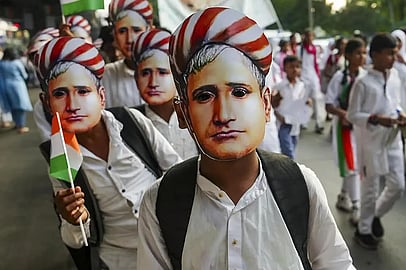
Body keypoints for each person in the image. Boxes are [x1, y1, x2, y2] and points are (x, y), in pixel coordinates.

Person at [137, 7, 355, 269]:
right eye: (204, 96)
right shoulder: (159, 201)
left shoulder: (300, 186)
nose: (224, 114)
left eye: (239, 92)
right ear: (183, 113)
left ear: (265, 104)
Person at [34, 36, 182, 269]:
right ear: (46, 103)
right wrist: (74, 219)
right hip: (119, 261)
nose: (72, 105)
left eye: (83, 91)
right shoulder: (61, 158)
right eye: (60, 94)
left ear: (101, 97)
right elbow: (77, 238)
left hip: (171, 249)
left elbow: (177, 172)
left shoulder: (132, 121)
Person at [347, 33, 406, 250]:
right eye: (390, 53)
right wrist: (375, 119)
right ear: (375, 55)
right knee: (370, 187)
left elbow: (395, 103)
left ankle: (374, 215)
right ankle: (363, 230)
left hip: (391, 140)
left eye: (395, 53)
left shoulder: (395, 77)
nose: (394, 57)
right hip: (370, 141)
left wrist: (400, 114)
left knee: (398, 186)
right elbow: (352, 115)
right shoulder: (362, 83)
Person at [132, 28, 198, 159]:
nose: (153, 82)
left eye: (162, 72)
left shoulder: (196, 114)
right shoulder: (130, 123)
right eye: (145, 73)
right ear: (136, 78)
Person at [325, 38, 367, 224]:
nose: (362, 57)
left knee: (358, 164)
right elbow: (328, 104)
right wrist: (344, 113)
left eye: (364, 53)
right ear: (348, 55)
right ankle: (357, 206)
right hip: (345, 128)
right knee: (352, 165)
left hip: (363, 127)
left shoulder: (366, 77)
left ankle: (343, 195)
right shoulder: (339, 78)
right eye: (358, 53)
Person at [102, 0, 153, 108]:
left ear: (150, 31)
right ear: (114, 35)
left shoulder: (171, 71)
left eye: (136, 30)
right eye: (122, 31)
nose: (129, 39)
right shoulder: (106, 76)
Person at [272, 55, 312, 159]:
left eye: (297, 67)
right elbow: (272, 104)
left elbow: (302, 102)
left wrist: (307, 103)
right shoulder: (279, 86)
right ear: (285, 68)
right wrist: (279, 116)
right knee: (288, 153)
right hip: (283, 123)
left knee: (292, 147)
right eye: (291, 67)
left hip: (295, 123)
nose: (295, 70)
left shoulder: (302, 86)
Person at [297, 30, 325, 134]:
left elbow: (317, 63)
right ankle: (303, 121)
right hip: (303, 77)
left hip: (313, 77)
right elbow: (298, 62)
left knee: (317, 100)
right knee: (303, 99)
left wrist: (317, 76)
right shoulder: (299, 49)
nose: (309, 38)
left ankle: (319, 123)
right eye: (307, 36)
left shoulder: (315, 49)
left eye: (311, 36)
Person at [0, 47, 33, 134]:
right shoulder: (16, 63)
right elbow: (24, 75)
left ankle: (17, 123)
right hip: (18, 85)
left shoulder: (2, 63)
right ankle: (21, 126)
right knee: (21, 106)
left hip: (5, 86)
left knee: (13, 106)